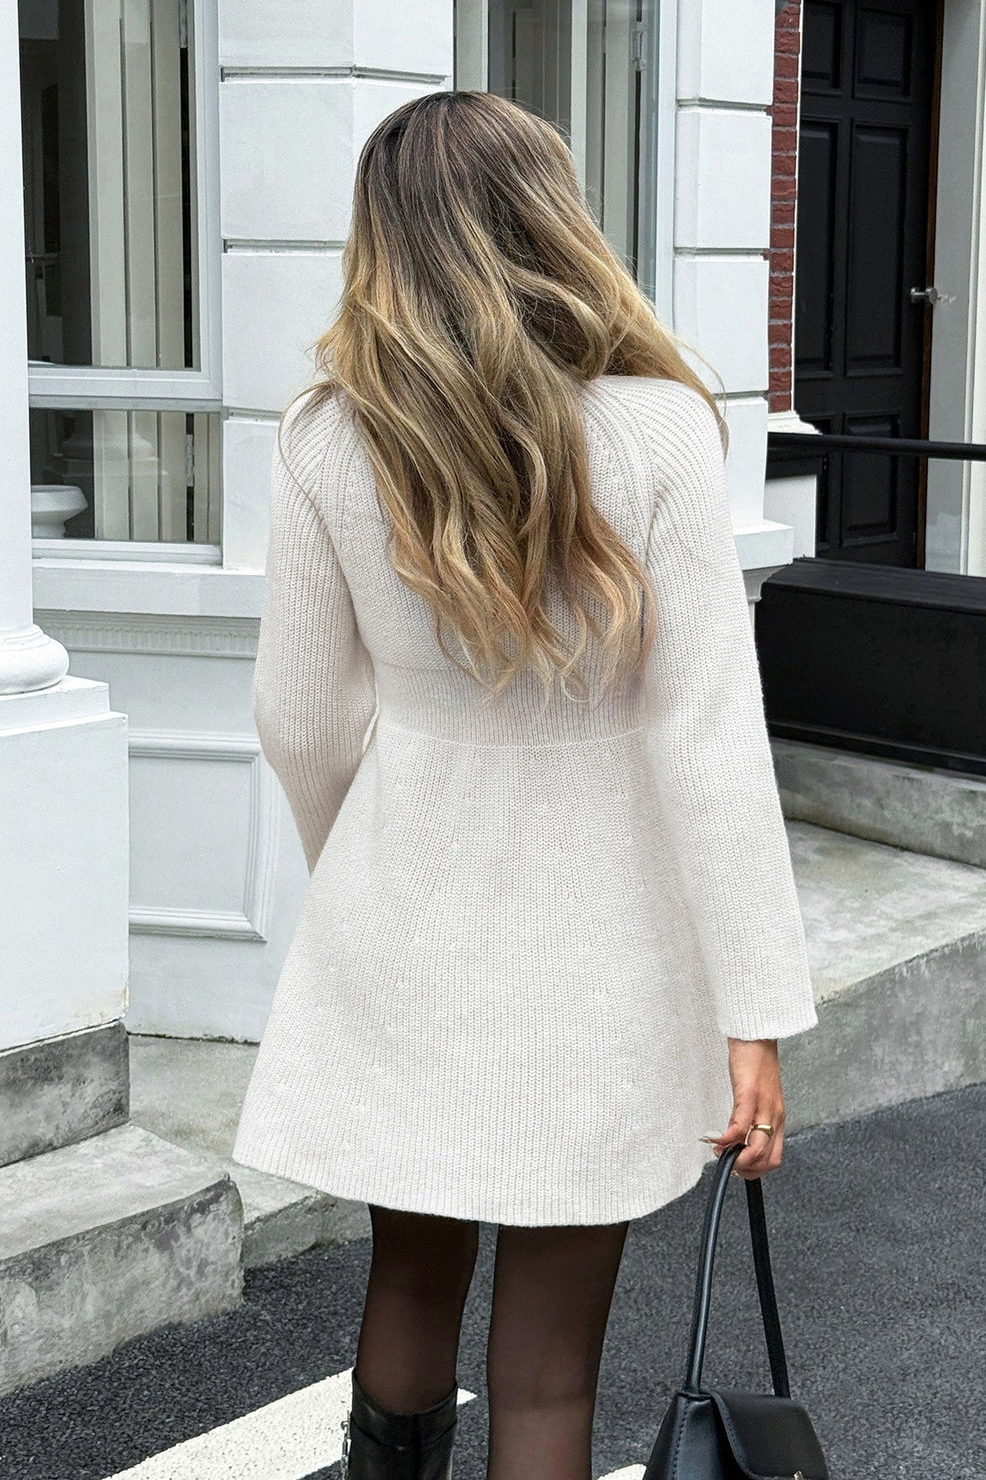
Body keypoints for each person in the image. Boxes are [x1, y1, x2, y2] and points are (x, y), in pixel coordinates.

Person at [230, 89, 819, 1480]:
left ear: (386, 239)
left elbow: (298, 718)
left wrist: (356, 869)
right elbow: (708, 741)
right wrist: (754, 1013)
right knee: (549, 1371)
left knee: (408, 1276)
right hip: (597, 945)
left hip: (402, 920)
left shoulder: (329, 436)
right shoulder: (658, 431)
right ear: (552, 218)